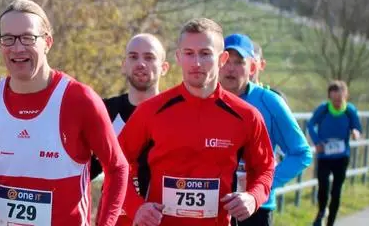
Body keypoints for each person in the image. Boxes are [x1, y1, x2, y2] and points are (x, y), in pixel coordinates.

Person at [0, 0, 129, 225]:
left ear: (47, 42)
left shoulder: (80, 100)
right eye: (8, 39)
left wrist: (106, 223)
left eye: (28, 38)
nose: (18, 48)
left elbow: (117, 167)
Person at [116, 18, 276, 226]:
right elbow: (116, 165)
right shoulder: (150, 111)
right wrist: (135, 207)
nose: (196, 63)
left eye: (205, 53)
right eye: (189, 53)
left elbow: (265, 168)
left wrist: (253, 198)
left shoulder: (246, 115)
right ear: (179, 57)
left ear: (222, 59)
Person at [219, 33, 313, 226]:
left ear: (252, 67)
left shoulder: (269, 102)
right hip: (214, 206)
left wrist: (263, 186)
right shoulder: (206, 100)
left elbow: (302, 153)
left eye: (239, 62)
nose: (231, 68)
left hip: (256, 208)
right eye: (226, 60)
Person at [89, 33, 170, 181]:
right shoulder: (104, 111)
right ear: (124, 65)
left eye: (149, 57)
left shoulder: (176, 113)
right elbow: (85, 172)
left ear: (164, 68)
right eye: (133, 57)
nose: (140, 64)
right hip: (116, 196)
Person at [306, 80, 362, 226]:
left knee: (336, 191)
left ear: (345, 96)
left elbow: (357, 128)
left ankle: (330, 222)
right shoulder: (324, 109)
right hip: (324, 155)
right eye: (334, 99)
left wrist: (355, 133)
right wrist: (317, 142)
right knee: (323, 187)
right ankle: (321, 212)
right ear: (330, 97)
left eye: (340, 99)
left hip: (341, 157)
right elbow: (310, 124)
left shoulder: (350, 111)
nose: (337, 102)